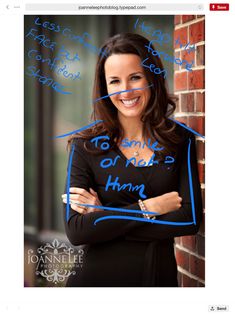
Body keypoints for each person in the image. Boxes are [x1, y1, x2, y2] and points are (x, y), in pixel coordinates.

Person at [62, 33, 203, 287]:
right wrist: (150, 208)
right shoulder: (84, 145)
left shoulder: (180, 140)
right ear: (105, 88)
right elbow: (77, 231)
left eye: (135, 77)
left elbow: (190, 220)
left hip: (156, 280)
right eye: (114, 81)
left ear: (152, 78)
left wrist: (106, 216)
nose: (125, 90)